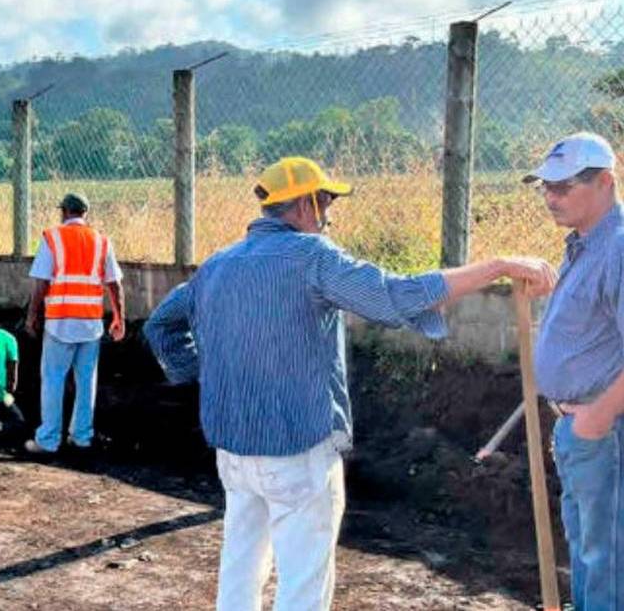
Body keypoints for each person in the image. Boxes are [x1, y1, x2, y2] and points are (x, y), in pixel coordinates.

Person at [142, 156, 556, 611]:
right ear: (305, 205)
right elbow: (395, 295)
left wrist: (204, 371)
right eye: (326, 203)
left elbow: (161, 325)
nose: (328, 215)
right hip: (298, 451)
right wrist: (496, 266)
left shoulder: (217, 266)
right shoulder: (312, 257)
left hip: (235, 452)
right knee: (303, 583)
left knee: (241, 568)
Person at [527, 132, 624, 610]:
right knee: (588, 545)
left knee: (606, 555)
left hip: (602, 431)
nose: (551, 197)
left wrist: (597, 418)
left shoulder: (618, 248)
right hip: (580, 429)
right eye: (546, 187)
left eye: (563, 187)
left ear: (605, 182)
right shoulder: (585, 245)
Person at [24, 192, 125, 454]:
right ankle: (81, 437)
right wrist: (119, 318)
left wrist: (32, 316)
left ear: (64, 211)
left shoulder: (52, 238)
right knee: (86, 381)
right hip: (90, 324)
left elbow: (41, 283)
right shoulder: (101, 241)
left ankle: (48, 440)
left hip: (60, 323)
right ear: (85, 213)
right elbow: (114, 284)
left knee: (53, 379)